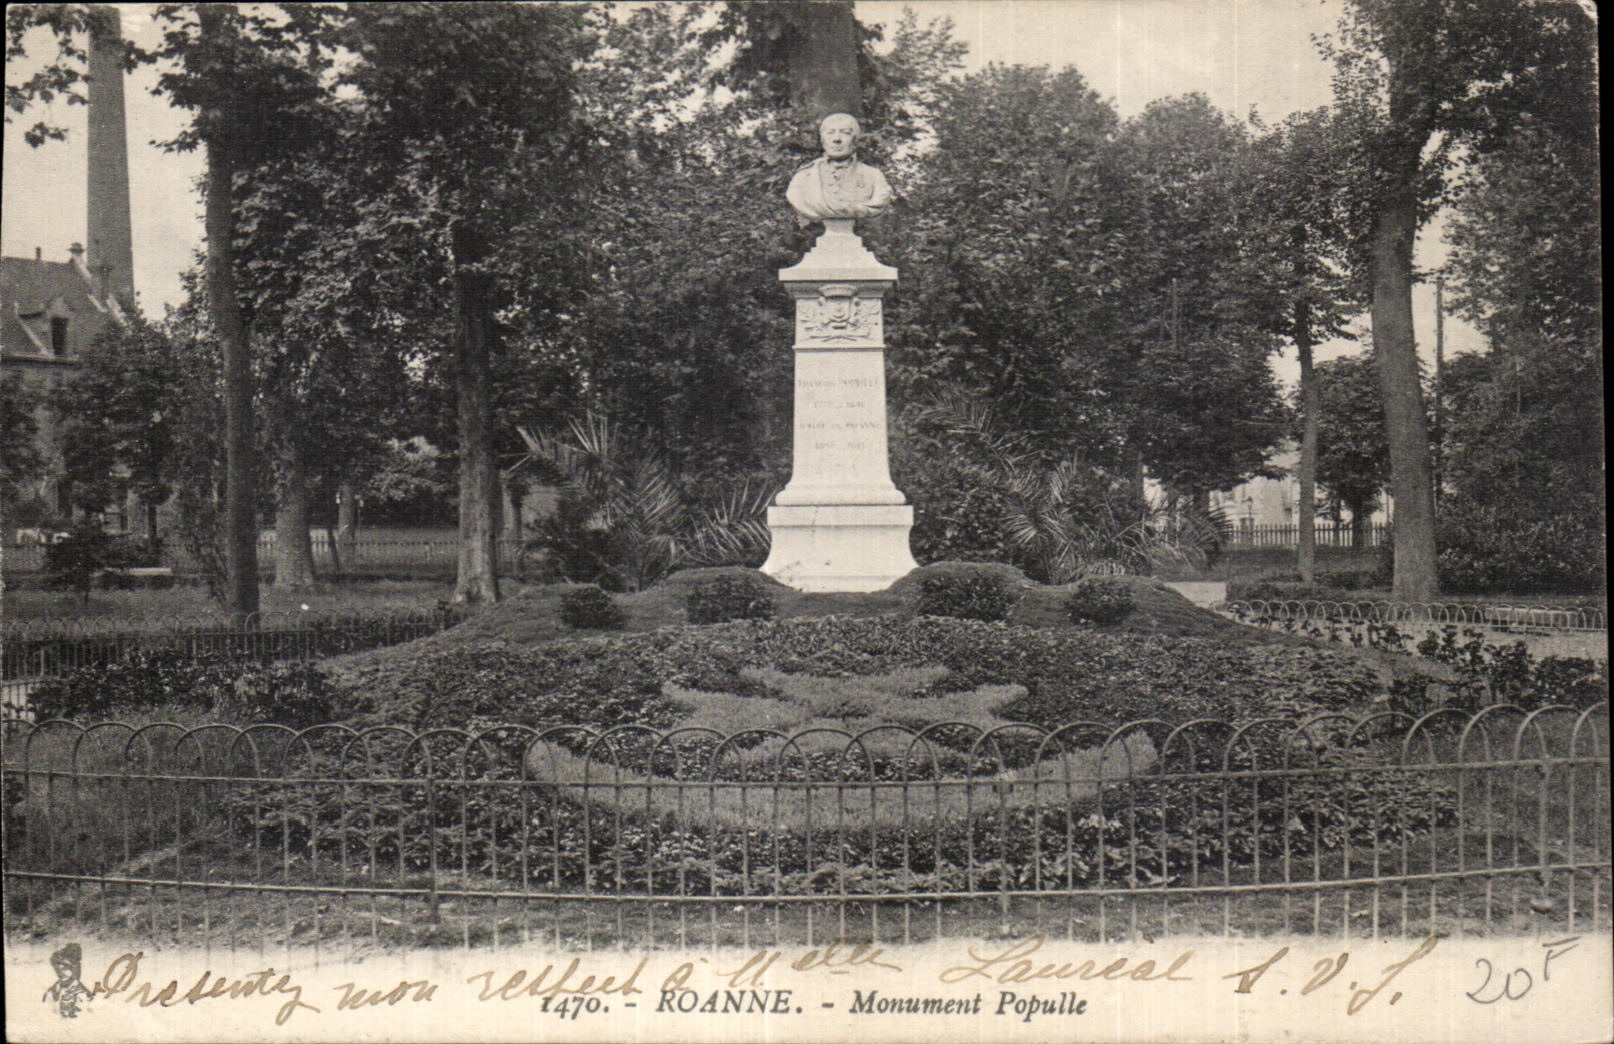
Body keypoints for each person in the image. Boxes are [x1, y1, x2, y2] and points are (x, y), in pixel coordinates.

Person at [786, 113, 892, 224]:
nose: (837, 139)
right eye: (830, 133)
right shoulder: (803, 177)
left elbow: (879, 202)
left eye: (845, 133)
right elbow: (796, 198)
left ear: (855, 140)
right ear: (823, 140)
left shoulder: (874, 176)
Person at [44, 943, 93, 1019]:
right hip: (60, 964)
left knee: (73, 984)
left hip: (67, 968)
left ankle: (71, 1006)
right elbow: (56, 961)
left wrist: (86, 992)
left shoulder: (76, 962)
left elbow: (76, 978)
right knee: (68, 984)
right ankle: (64, 1008)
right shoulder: (59, 957)